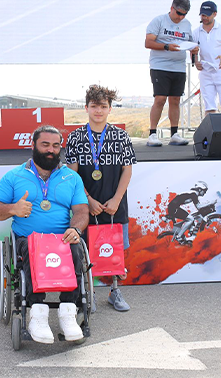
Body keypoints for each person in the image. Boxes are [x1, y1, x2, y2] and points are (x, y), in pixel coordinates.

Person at [0, 125, 89, 344]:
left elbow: (81, 211)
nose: (51, 150)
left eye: (56, 145)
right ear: (33, 146)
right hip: (28, 239)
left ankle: (68, 313)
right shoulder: (14, 176)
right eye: (45, 145)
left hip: (62, 238)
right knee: (33, 250)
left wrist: (75, 229)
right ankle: (37, 315)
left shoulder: (72, 177)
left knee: (76, 246)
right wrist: (13, 208)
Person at [64, 85, 136, 312]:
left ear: (110, 109)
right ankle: (90, 293)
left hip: (115, 205)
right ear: (86, 108)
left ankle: (115, 291)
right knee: (86, 249)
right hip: (87, 206)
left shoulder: (121, 136)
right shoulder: (75, 137)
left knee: (114, 249)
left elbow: (127, 170)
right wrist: (87, 199)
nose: (98, 111)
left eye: (103, 106)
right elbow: (72, 175)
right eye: (94, 106)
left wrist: (116, 199)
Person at [145, 0, 198, 147]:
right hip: (160, 65)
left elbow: (190, 43)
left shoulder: (187, 24)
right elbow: (148, 42)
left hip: (179, 66)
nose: (180, 17)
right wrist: (167, 46)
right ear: (172, 8)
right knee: (160, 98)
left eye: (184, 14)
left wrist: (193, 50)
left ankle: (174, 133)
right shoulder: (159, 20)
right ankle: (152, 134)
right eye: (178, 13)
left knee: (175, 100)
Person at [193, 1, 221, 113]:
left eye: (207, 15)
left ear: (215, 14)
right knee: (209, 107)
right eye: (202, 15)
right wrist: (196, 61)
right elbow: (193, 50)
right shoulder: (196, 32)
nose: (204, 17)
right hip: (206, 71)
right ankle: (211, 125)